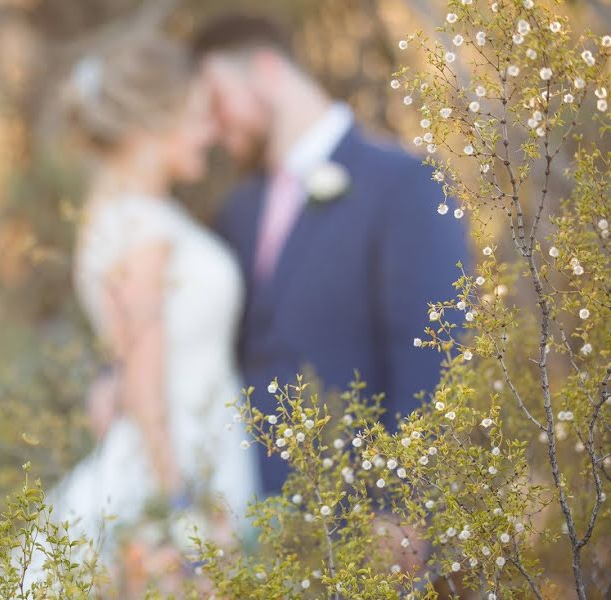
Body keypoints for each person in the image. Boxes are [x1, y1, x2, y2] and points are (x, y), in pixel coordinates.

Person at [192, 14, 468, 497]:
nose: (212, 127)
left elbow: (433, 361)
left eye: (216, 100)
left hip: (358, 519)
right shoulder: (238, 210)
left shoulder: (404, 184)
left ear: (266, 70)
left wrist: (406, 511)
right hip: (246, 517)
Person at [46, 33, 258, 578]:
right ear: (149, 125)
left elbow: (124, 360)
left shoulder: (120, 216)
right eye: (195, 116)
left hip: (189, 444)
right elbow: (144, 386)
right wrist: (181, 513)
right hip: (178, 461)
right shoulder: (143, 228)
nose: (210, 133)